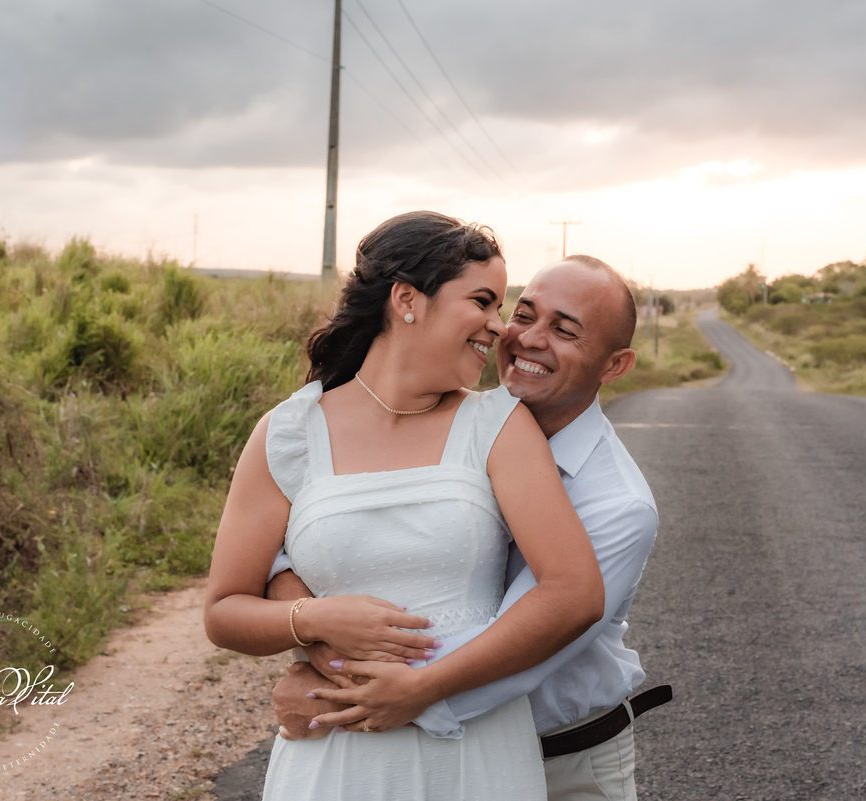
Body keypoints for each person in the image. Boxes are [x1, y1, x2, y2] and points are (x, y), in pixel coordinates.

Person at [203, 211, 605, 801]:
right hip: (336, 759)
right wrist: (312, 621)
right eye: (483, 301)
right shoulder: (288, 433)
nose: (499, 328)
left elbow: (574, 593)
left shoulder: (497, 425)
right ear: (406, 300)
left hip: (473, 755)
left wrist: (425, 688)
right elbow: (224, 610)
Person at [271, 255, 664, 801]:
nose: (526, 338)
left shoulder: (617, 504)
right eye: (523, 314)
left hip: (564, 762)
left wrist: (332, 687)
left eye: (564, 330)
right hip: (416, 741)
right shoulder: (449, 421)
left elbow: (523, 645)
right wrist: (319, 637)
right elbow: (309, 538)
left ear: (615, 365)